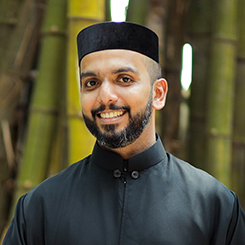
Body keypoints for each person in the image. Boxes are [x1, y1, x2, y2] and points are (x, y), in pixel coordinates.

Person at [3, 22, 245, 245]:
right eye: (91, 83)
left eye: (124, 79)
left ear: (158, 94)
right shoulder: (40, 207)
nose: (105, 96)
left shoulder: (214, 206)